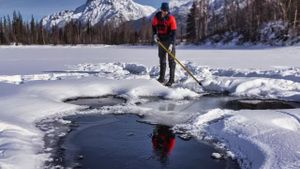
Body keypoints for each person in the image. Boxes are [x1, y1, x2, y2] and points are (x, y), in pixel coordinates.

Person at [152, 2, 177, 86]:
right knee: (162, 59)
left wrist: (171, 44)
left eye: (166, 10)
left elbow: (174, 33)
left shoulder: (171, 19)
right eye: (163, 10)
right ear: (161, 9)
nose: (165, 12)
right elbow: (154, 26)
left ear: (168, 10)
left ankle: (171, 80)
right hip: (161, 41)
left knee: (171, 60)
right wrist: (155, 34)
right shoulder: (157, 17)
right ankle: (161, 78)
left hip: (170, 41)